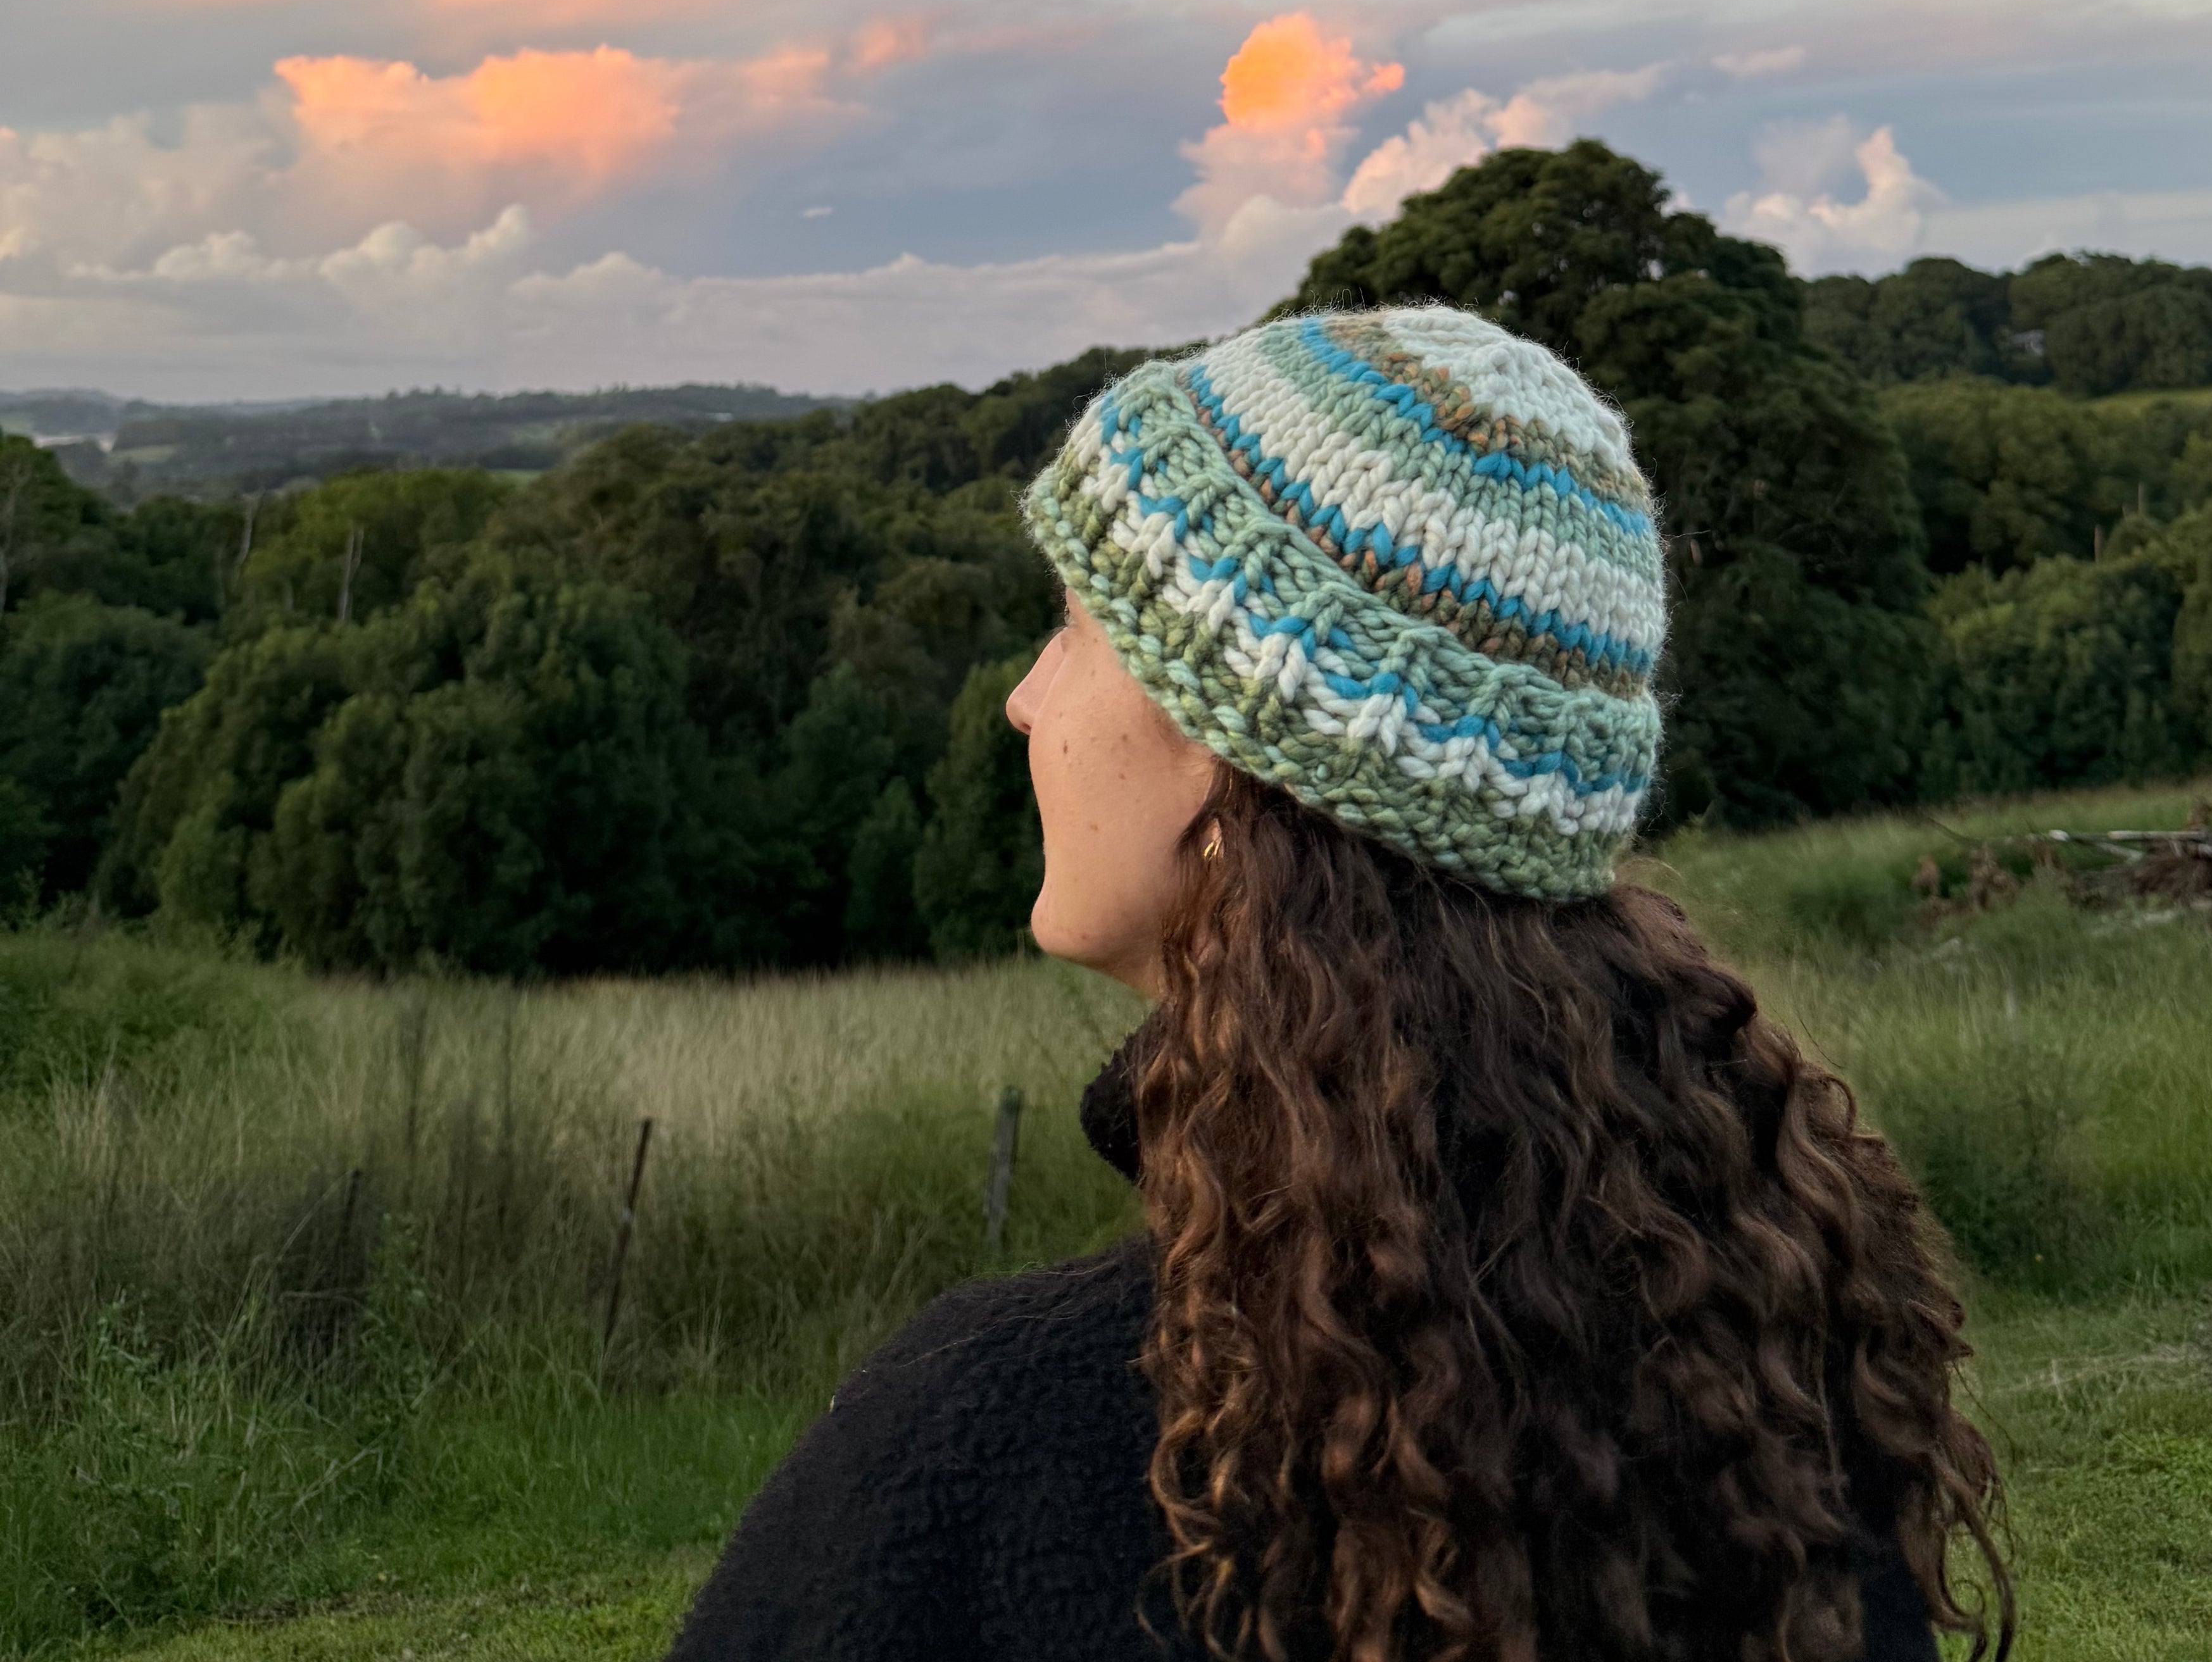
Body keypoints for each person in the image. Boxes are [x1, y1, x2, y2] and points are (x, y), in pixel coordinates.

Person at [669, 305, 2012, 1661]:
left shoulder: (983, 1442)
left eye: (1075, 626)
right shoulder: (1772, 1390)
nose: (1026, 696)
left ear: (1225, 735)